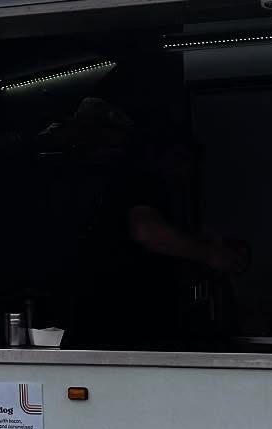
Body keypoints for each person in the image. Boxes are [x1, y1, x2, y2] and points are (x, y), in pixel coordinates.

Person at [56, 98, 246, 349]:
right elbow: (146, 231)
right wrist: (210, 255)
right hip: (118, 330)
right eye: (182, 161)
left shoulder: (93, 184)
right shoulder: (137, 181)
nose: (186, 174)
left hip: (104, 328)